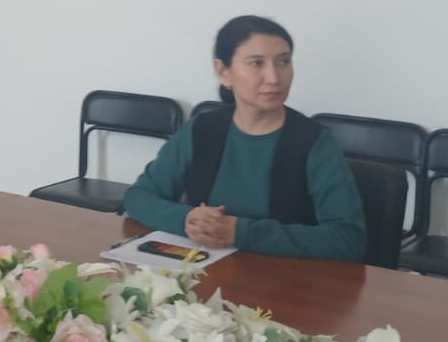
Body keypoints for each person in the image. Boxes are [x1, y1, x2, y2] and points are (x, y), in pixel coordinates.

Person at [122, 16, 366, 261]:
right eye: (256, 63)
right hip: (205, 272)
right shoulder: (202, 130)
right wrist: (186, 219)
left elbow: (348, 238)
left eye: (283, 62)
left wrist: (242, 233)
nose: (274, 77)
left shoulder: (313, 141)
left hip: (283, 276)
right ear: (223, 72)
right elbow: (138, 197)